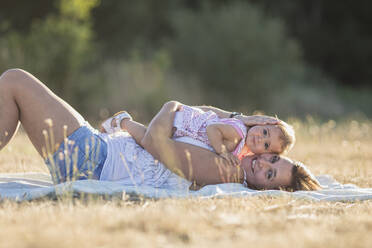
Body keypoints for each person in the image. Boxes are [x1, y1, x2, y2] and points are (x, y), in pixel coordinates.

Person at [0, 69, 321, 191]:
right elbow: (201, 116)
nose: (262, 163)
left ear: (265, 190)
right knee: (14, 84)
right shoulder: (231, 150)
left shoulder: (226, 170)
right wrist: (243, 119)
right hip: (98, 152)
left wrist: (166, 107)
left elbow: (157, 141)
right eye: (272, 159)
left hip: (92, 161)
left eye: (268, 174)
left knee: (14, 81)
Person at [101, 103, 295, 167]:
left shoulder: (243, 147)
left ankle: (123, 127)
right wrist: (221, 151)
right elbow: (213, 130)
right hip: (183, 123)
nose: (261, 138)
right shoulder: (239, 133)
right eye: (264, 132)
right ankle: (123, 121)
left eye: (267, 145)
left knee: (148, 144)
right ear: (260, 122)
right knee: (148, 142)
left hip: (186, 129)